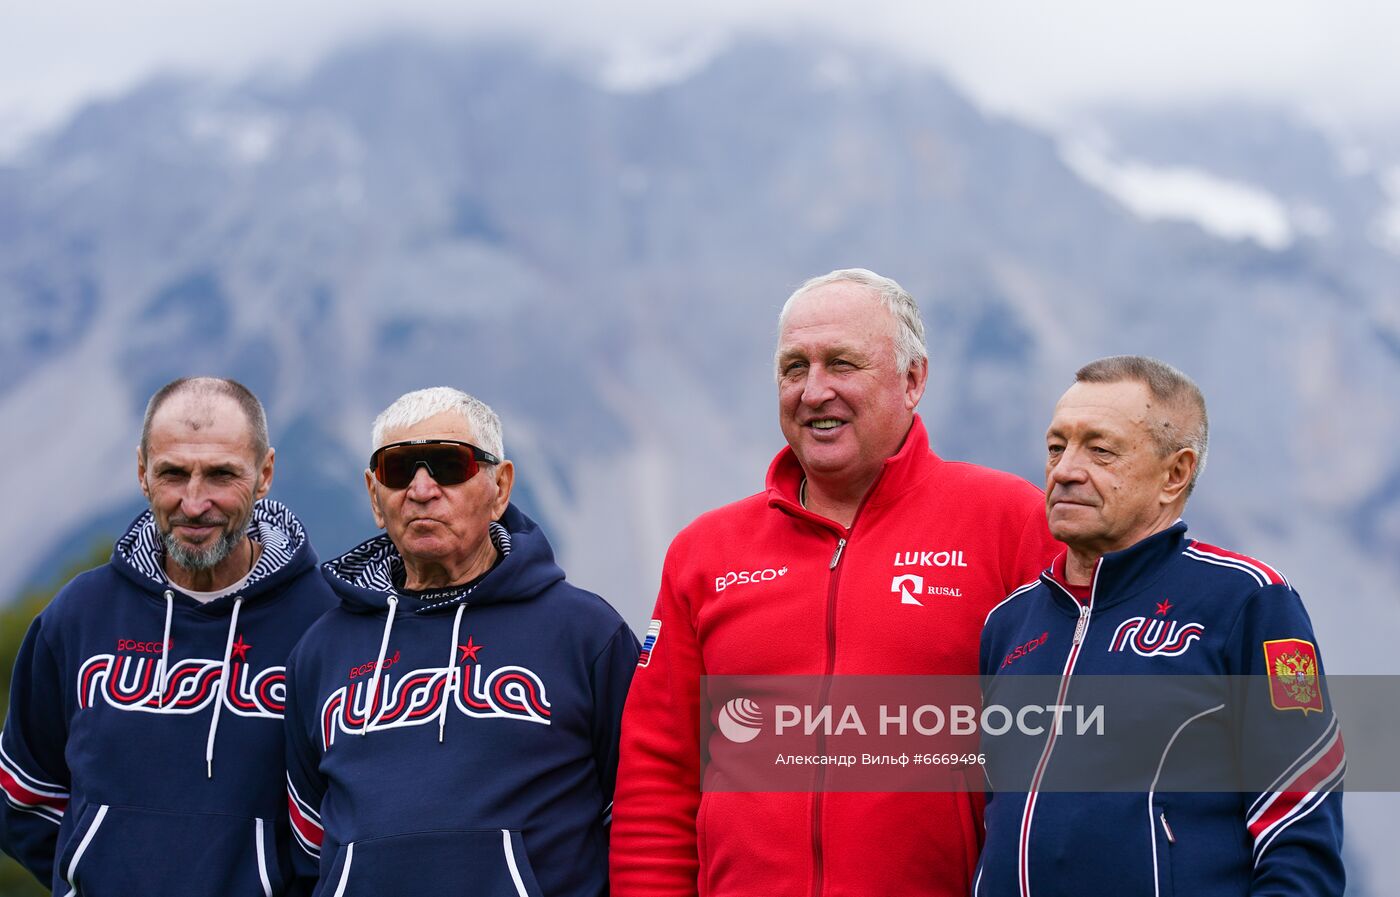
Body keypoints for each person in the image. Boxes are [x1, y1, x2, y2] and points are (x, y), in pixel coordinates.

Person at [610, 269, 1062, 897]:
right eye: (794, 368)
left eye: (842, 364)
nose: (814, 390)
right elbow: (658, 773)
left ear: (913, 380)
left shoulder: (1009, 521)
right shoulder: (704, 552)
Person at [976, 355, 1344, 896]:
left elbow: (1302, 812)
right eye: (1057, 447)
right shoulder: (1008, 623)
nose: (1065, 470)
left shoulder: (1251, 601)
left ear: (1176, 473)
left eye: (1100, 450)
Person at [284, 387, 637, 897]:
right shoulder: (320, 651)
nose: (422, 489)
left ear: (500, 487)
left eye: (449, 465)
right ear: (373, 496)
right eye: (398, 469)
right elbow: (308, 838)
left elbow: (637, 820)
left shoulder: (585, 634)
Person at [0, 377, 337, 895]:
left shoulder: (327, 622)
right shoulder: (80, 615)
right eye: (173, 474)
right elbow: (24, 793)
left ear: (265, 474)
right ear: (142, 472)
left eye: (222, 475)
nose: (195, 502)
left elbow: (349, 817)